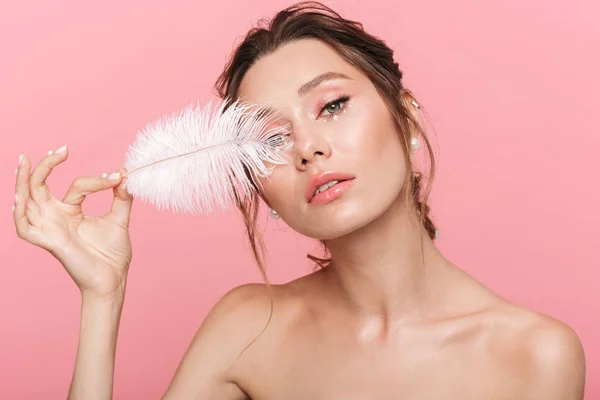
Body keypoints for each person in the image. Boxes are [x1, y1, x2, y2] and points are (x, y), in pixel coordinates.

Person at [12, 1, 586, 399]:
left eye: (331, 106)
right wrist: (101, 296)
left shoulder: (535, 355)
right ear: (257, 184)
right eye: (272, 140)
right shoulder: (249, 326)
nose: (307, 149)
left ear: (403, 116)